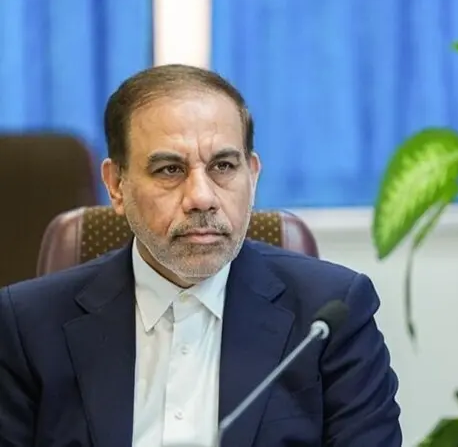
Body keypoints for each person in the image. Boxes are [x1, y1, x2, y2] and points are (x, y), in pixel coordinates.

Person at [0, 65, 402, 447]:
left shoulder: (331, 315)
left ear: (252, 176)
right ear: (117, 185)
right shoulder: (26, 326)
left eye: (223, 166)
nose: (202, 197)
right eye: (169, 170)